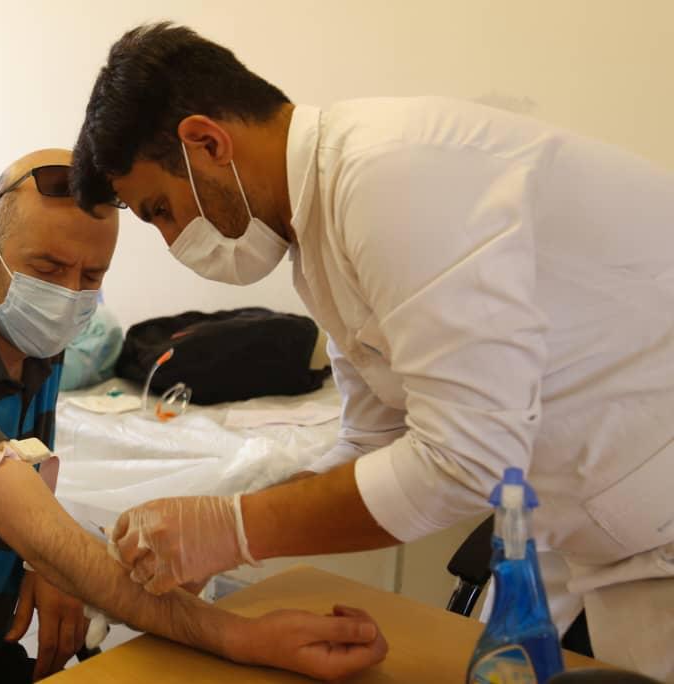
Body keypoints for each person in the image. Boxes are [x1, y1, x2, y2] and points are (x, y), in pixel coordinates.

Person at [70, 23, 674, 681]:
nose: (171, 239)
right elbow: (370, 443)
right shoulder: (320, 233)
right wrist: (212, 540)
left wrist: (231, 528)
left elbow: (465, 458)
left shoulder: (392, 177)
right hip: (595, 533)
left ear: (207, 142)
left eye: (160, 208)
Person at [0, 148, 388, 683]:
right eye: (48, 269)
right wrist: (242, 636)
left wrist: (42, 564)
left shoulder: (34, 348)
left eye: (91, 276)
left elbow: (29, 506)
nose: (68, 297)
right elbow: (43, 531)